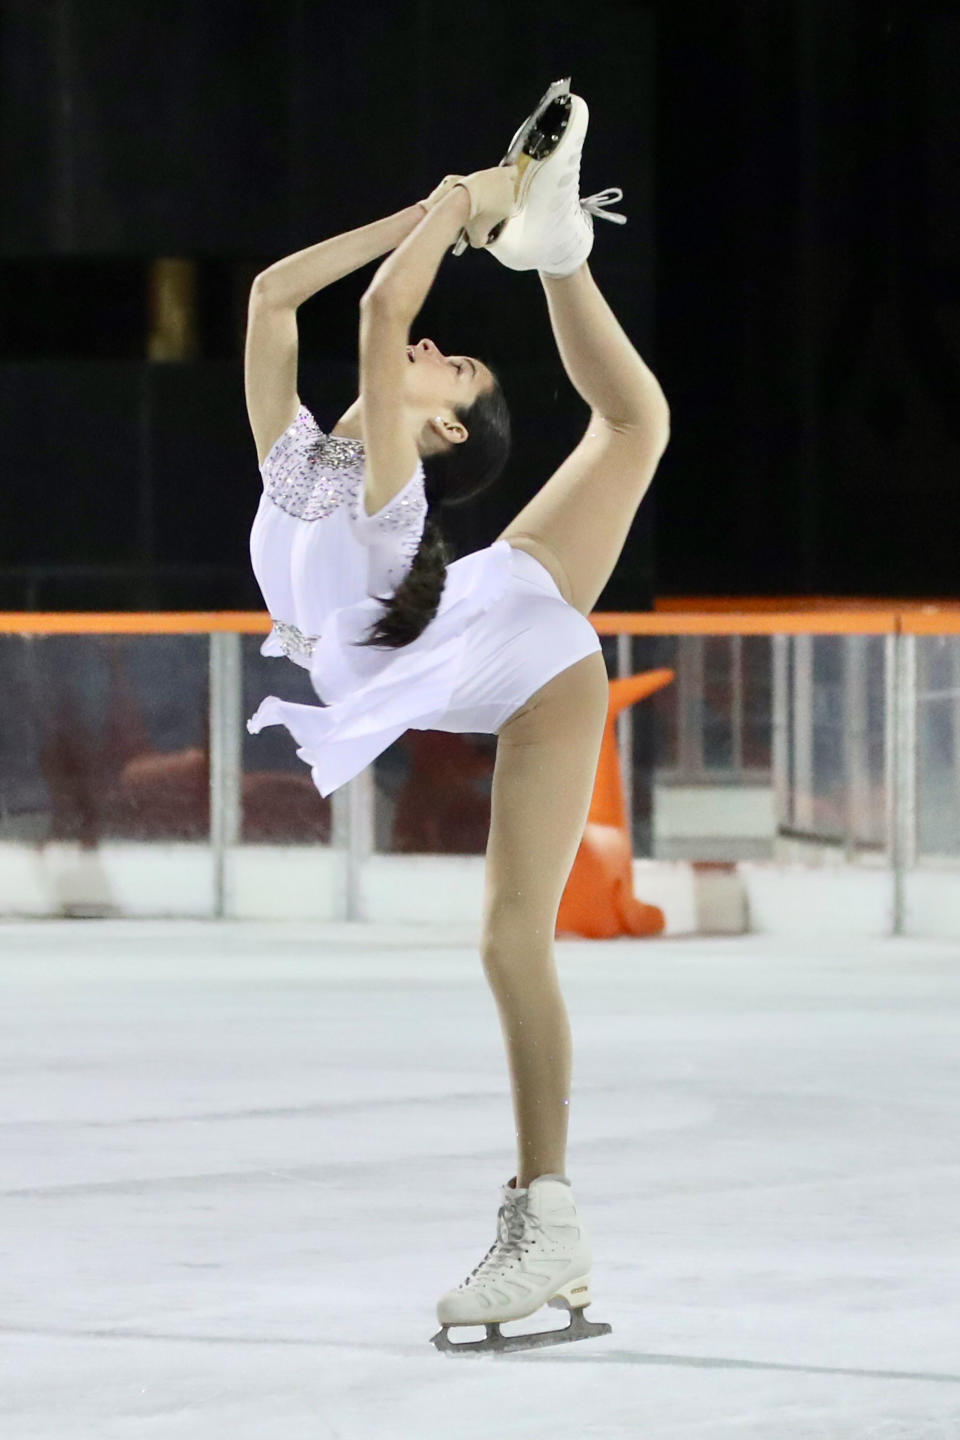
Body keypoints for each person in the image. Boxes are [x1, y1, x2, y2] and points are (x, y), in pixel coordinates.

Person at [244, 86, 669, 1354]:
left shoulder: (382, 492)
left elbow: (384, 309)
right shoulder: (303, 461)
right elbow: (275, 295)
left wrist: (469, 199)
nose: (435, 350)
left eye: (453, 367)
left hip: (534, 668)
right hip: (482, 612)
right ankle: (562, 254)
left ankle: (548, 1220)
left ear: (438, 428)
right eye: (448, 351)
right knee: (638, 422)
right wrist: (471, 208)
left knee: (506, 942)